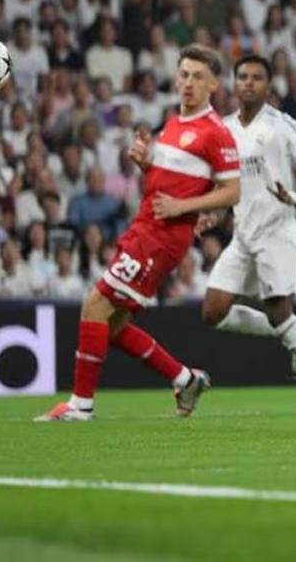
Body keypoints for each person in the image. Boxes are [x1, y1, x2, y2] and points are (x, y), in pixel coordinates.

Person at [36, 46, 241, 422]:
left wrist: (183, 209)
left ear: (213, 84)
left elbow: (232, 191)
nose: (188, 83)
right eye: (183, 74)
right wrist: (146, 163)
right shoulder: (173, 124)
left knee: (94, 306)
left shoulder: (216, 131)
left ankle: (81, 405)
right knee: (112, 325)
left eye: (198, 76)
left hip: (160, 237)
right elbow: (167, 183)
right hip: (145, 226)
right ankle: (184, 378)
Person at [199, 55, 296, 414]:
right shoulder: (223, 129)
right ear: (234, 84)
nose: (249, 83)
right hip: (243, 235)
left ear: (268, 86)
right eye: (243, 77)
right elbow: (228, 183)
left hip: (276, 233)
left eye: (256, 78)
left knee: (278, 312)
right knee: (212, 311)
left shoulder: (283, 125)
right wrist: (214, 212)